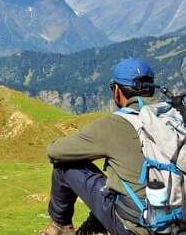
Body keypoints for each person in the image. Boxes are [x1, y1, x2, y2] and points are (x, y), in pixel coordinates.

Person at [38, 58, 156, 235]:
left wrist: (88, 153)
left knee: (64, 165)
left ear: (116, 91)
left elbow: (55, 152)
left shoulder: (114, 124)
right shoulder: (180, 118)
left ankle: (60, 227)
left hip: (138, 228)